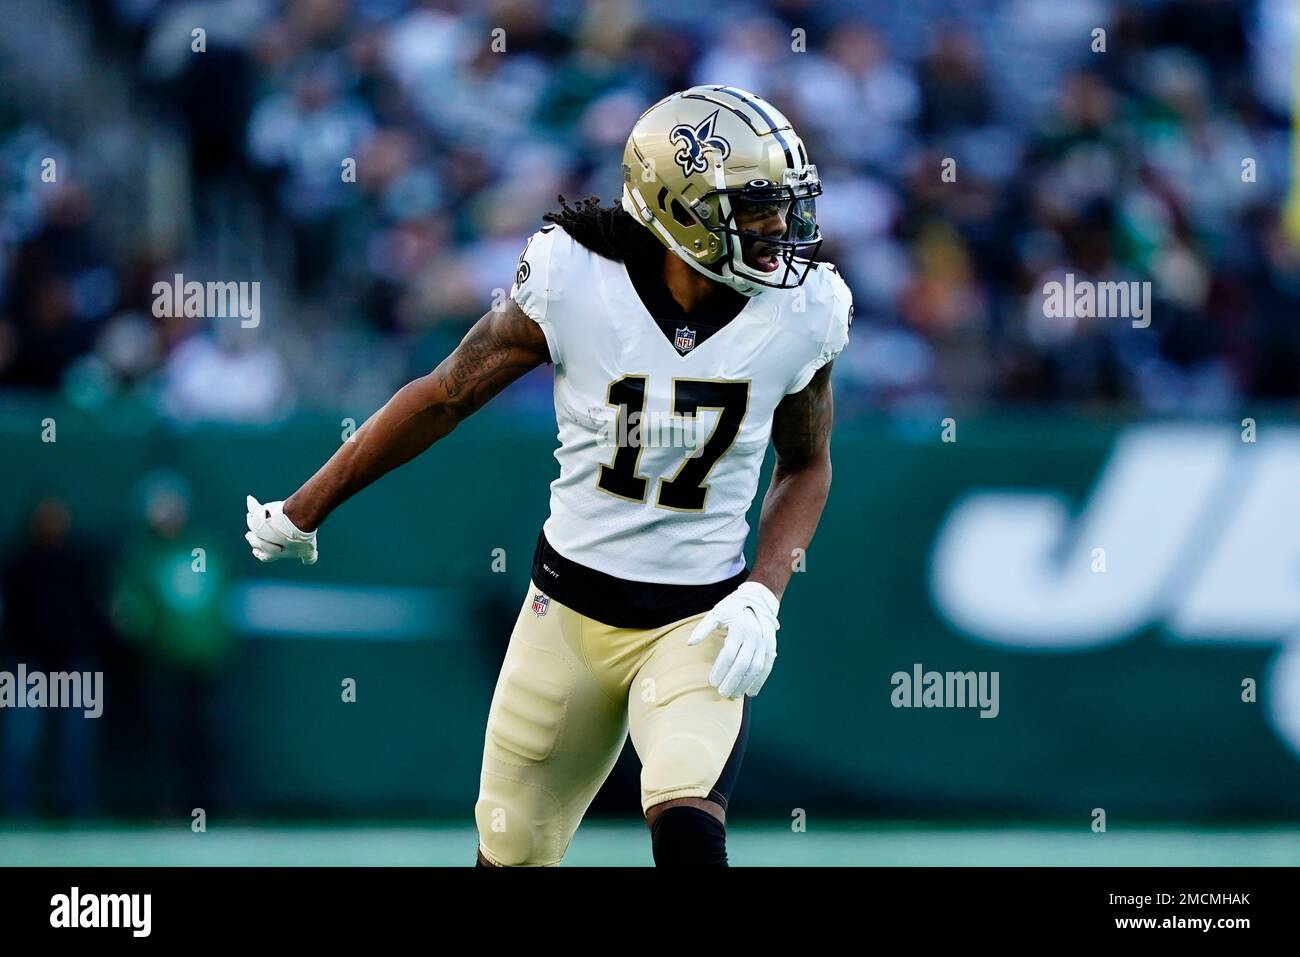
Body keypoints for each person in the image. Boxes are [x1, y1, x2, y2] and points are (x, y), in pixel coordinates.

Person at [245, 86, 851, 867]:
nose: (780, 232)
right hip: (565, 614)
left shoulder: (804, 310)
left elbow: (805, 463)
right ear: (678, 208)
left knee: (690, 833)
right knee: (511, 854)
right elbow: (443, 396)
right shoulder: (575, 278)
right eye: (755, 208)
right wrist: (306, 507)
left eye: (783, 206)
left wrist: (764, 595)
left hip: (695, 620)